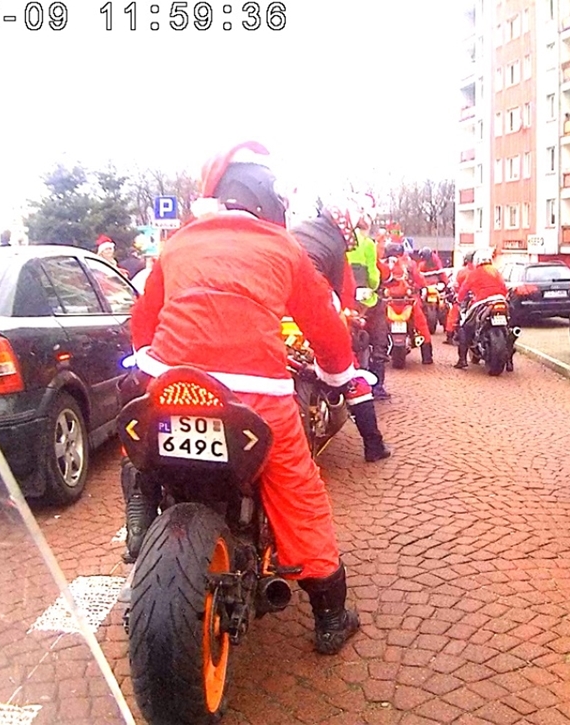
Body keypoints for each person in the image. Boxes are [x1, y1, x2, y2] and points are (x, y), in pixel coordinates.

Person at [128, 141, 363, 654]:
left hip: (175, 385)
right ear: (270, 200)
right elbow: (325, 326)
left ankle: (142, 499)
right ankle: (329, 616)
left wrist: (147, 359)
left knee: (146, 438)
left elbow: (144, 320)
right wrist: (337, 373)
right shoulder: (283, 248)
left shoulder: (179, 243)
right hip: (258, 399)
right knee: (297, 490)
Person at [291, 198, 392, 463]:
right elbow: (342, 293)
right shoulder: (336, 246)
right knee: (352, 374)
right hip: (314, 309)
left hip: (277, 308)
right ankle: (373, 444)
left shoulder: (296, 232)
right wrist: (349, 315)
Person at [347, 197, 391, 399]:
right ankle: (378, 386)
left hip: (344, 300)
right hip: (366, 301)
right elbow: (374, 278)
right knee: (379, 337)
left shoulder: (339, 241)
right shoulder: (367, 244)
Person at [453, 248, 509, 370]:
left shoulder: (475, 273)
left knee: (465, 327)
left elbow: (464, 289)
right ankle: (509, 361)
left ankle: (462, 360)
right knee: (510, 326)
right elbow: (504, 288)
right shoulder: (496, 271)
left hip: (482, 302)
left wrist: (459, 299)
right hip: (500, 300)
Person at [379, 240, 433, 365]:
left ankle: (377, 352)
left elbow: (376, 280)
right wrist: (423, 287)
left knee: (377, 325)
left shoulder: (383, 264)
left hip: (388, 301)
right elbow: (419, 279)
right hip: (407, 301)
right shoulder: (409, 263)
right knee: (421, 325)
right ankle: (427, 356)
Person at [444, 251, 476, 345]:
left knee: (453, 314)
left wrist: (457, 294)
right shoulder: (479, 270)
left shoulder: (462, 272)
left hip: (464, 297)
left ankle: (449, 336)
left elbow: (457, 286)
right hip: (476, 298)